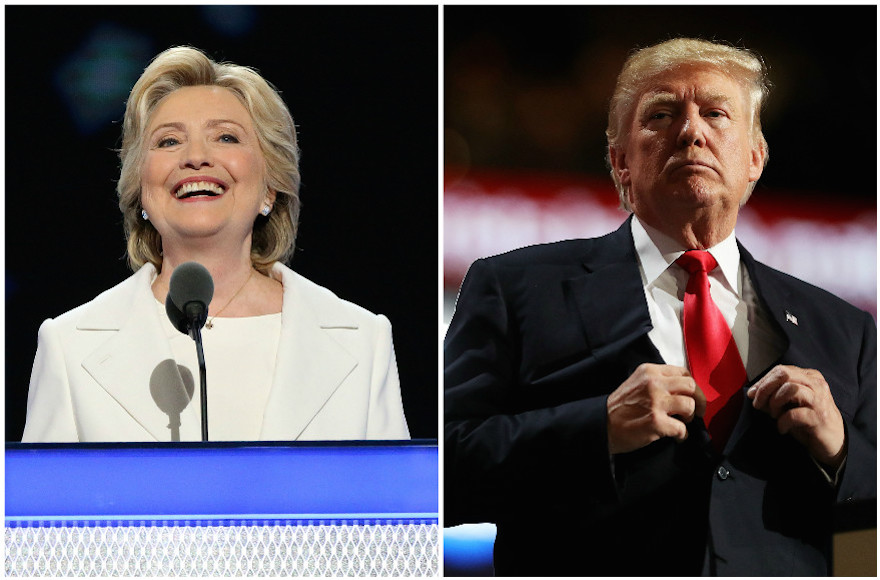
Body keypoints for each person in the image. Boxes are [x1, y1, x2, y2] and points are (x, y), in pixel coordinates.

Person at [444, 38, 875, 576]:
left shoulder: (845, 330)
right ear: (620, 161)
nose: (692, 132)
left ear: (755, 159)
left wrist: (841, 452)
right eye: (662, 114)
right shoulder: (515, 288)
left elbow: (869, 521)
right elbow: (443, 475)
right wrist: (594, 429)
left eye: (716, 114)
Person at [23, 46, 409, 443]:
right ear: (140, 192)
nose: (195, 157)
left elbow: (394, 502)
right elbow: (45, 503)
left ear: (270, 187)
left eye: (225, 137)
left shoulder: (363, 339)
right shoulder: (69, 345)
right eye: (169, 141)